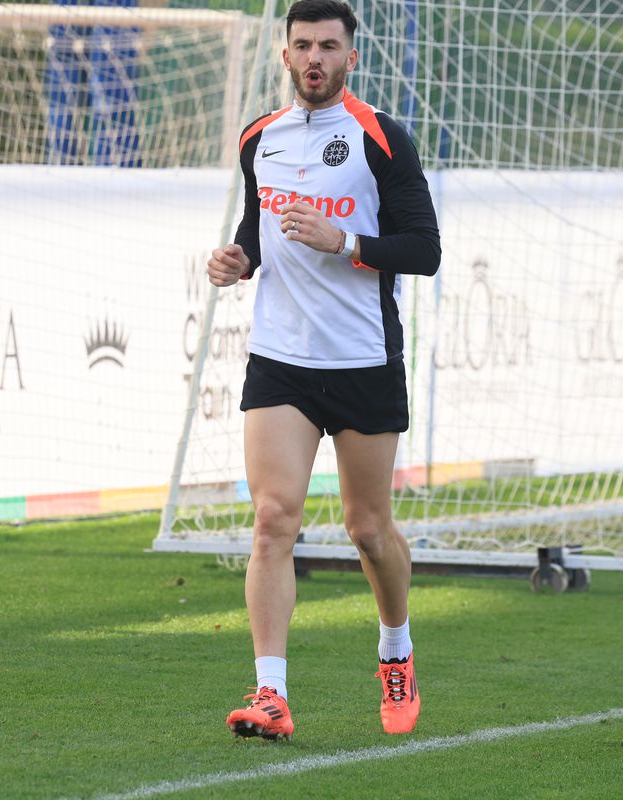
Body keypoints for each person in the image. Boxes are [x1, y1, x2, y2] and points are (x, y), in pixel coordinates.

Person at [207, 0, 441, 740]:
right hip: (280, 360)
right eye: (303, 45)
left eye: (328, 46)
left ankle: (396, 651)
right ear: (285, 56)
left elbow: (425, 250)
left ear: (350, 57)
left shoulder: (382, 139)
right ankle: (270, 693)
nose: (315, 58)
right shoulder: (259, 139)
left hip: (363, 359)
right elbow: (257, 231)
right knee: (273, 519)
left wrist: (345, 242)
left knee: (368, 530)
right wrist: (238, 260)